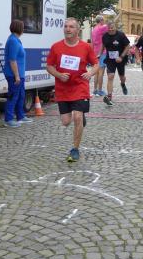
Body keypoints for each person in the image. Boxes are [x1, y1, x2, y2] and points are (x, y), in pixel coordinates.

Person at [46, 18, 98, 162]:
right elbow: (49, 66)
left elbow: (96, 64)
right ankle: (79, 116)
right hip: (63, 89)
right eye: (66, 26)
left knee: (77, 117)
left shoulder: (85, 47)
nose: (68, 29)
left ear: (78, 30)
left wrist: (90, 73)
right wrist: (58, 75)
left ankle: (75, 149)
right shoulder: (56, 47)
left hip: (80, 87)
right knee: (65, 122)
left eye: (71, 27)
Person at [2, 19, 32, 127]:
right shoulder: (13, 41)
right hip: (13, 75)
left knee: (21, 95)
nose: (23, 29)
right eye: (23, 27)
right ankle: (8, 119)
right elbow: (12, 60)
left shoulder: (16, 40)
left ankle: (20, 116)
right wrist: (17, 76)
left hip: (19, 74)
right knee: (13, 96)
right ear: (20, 28)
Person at [102, 25, 131, 106]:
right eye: (109, 28)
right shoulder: (105, 36)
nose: (111, 30)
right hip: (110, 60)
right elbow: (103, 45)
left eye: (112, 28)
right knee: (110, 76)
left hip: (120, 59)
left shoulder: (121, 35)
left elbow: (128, 46)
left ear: (115, 28)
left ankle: (123, 84)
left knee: (122, 77)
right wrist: (99, 54)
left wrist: (121, 56)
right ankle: (109, 96)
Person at [90, 16, 108, 96]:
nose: (104, 22)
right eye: (103, 20)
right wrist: (119, 14)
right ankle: (100, 90)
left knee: (96, 72)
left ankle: (95, 90)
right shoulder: (101, 28)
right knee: (101, 72)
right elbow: (111, 23)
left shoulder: (94, 29)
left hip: (95, 52)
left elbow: (92, 42)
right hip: (102, 52)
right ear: (101, 20)